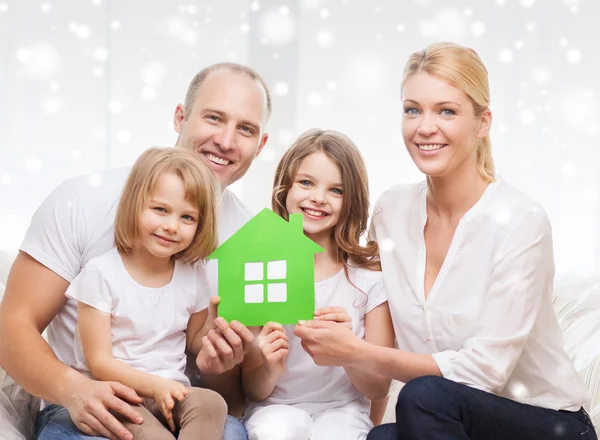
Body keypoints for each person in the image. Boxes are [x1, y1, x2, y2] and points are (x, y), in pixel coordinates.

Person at [294, 43, 597, 440]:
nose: (425, 127)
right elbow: (366, 304)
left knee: (423, 397)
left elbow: (483, 373)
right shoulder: (391, 213)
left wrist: (355, 351)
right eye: (413, 109)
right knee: (380, 437)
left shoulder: (521, 221)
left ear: (483, 122)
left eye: (447, 111)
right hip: (446, 421)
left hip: (546, 423)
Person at [0, 62, 271, 440]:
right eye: (214, 118)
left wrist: (220, 363)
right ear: (181, 117)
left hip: (180, 405)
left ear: (261, 145)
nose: (226, 141)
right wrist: (74, 391)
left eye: (245, 129)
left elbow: (229, 393)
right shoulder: (82, 201)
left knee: (231, 428)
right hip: (87, 402)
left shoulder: (254, 244)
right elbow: (12, 326)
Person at [238, 129, 395, 440]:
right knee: (276, 432)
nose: (318, 198)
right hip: (275, 407)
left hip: (343, 411)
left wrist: (348, 351)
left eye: (336, 190)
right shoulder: (261, 269)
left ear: (352, 200)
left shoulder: (370, 278)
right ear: (285, 188)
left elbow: (379, 388)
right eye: (306, 183)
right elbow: (255, 391)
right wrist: (266, 364)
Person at [67, 147, 227, 439]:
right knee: (151, 433)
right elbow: (99, 363)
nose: (171, 226)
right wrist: (155, 387)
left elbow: (194, 342)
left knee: (212, 403)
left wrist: (213, 328)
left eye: (187, 218)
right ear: (135, 205)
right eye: (160, 210)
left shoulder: (193, 276)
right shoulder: (101, 273)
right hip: (116, 392)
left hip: (174, 391)